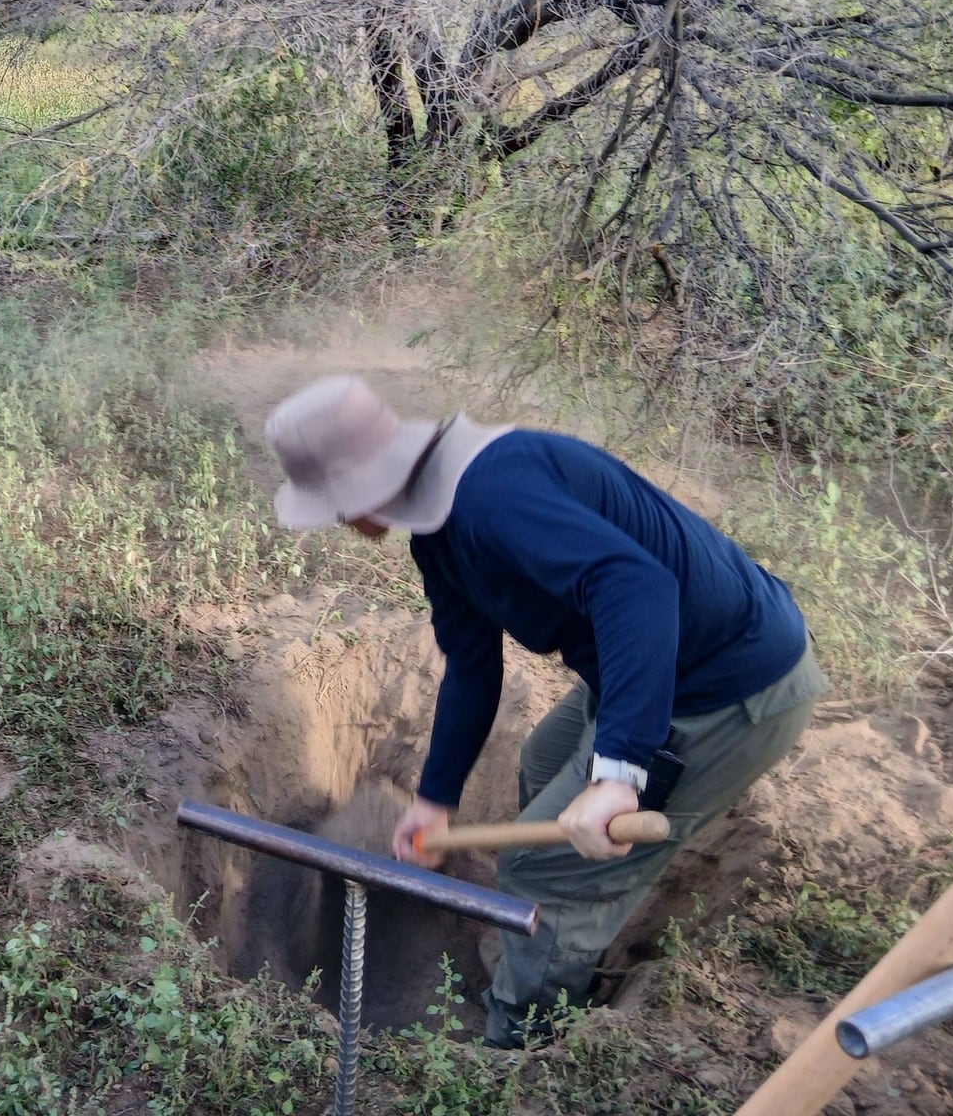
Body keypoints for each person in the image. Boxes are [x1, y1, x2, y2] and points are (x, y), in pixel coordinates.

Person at [266, 375, 824, 1048]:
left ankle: (525, 1041)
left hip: (727, 684)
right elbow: (472, 667)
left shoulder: (493, 497)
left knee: (542, 870)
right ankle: (534, 949)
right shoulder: (437, 528)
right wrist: (435, 800)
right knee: (543, 762)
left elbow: (639, 587)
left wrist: (619, 774)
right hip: (656, 664)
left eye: (330, 502)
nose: (334, 519)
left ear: (363, 486)